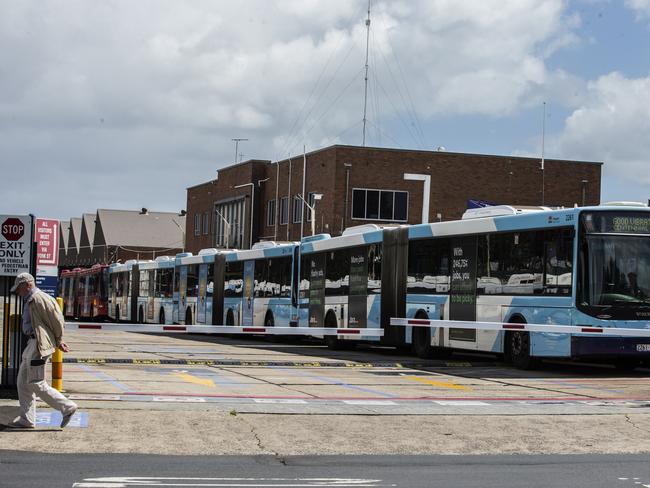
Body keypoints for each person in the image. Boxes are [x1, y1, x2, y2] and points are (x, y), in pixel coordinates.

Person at [6, 273, 78, 429]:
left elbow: (57, 320)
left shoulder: (40, 299)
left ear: (27, 285)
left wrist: (59, 340)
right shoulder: (31, 300)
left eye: (19, 288)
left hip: (38, 345)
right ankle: (27, 419)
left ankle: (67, 407)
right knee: (23, 383)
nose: (18, 292)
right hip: (32, 344)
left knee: (35, 383)